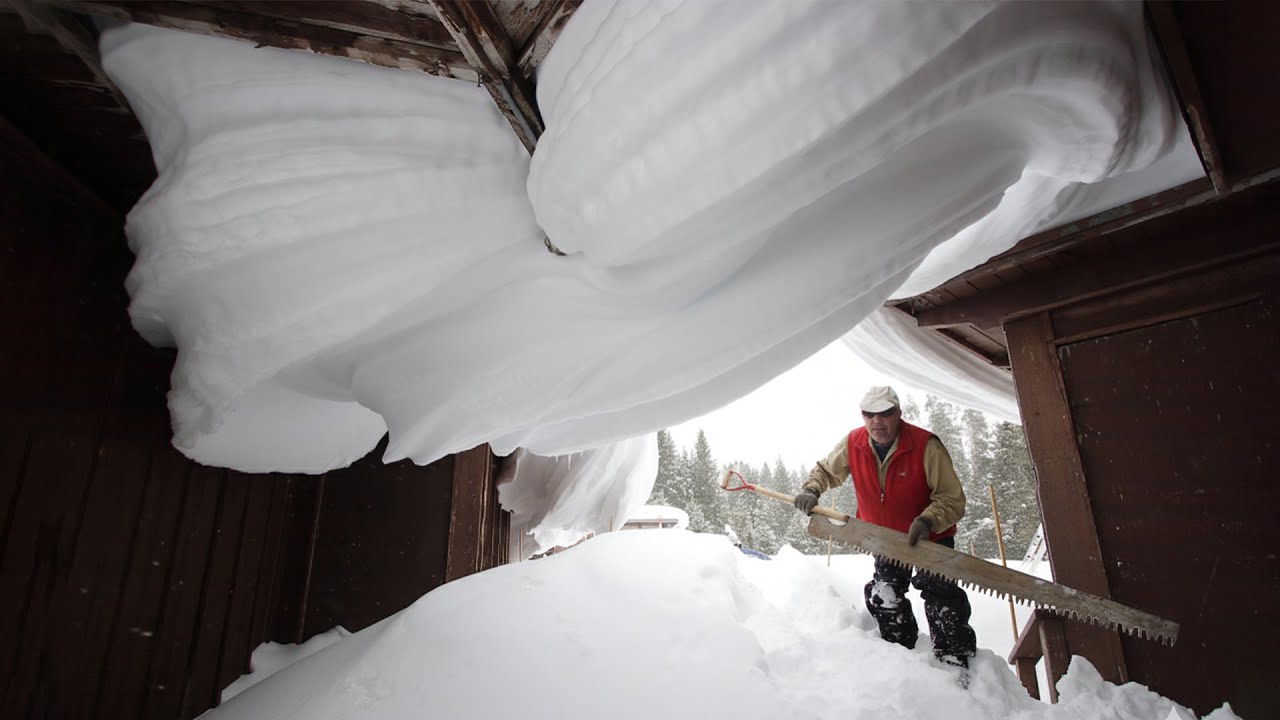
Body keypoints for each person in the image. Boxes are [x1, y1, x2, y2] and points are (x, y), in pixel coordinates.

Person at [795, 386, 977, 670]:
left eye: (884, 413)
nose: (876, 421)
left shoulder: (926, 445)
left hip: (930, 537)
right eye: (869, 415)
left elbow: (952, 499)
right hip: (885, 538)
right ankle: (901, 655)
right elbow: (827, 470)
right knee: (885, 595)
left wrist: (928, 520)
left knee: (941, 596)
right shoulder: (853, 443)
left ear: (898, 413)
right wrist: (812, 489)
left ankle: (954, 659)